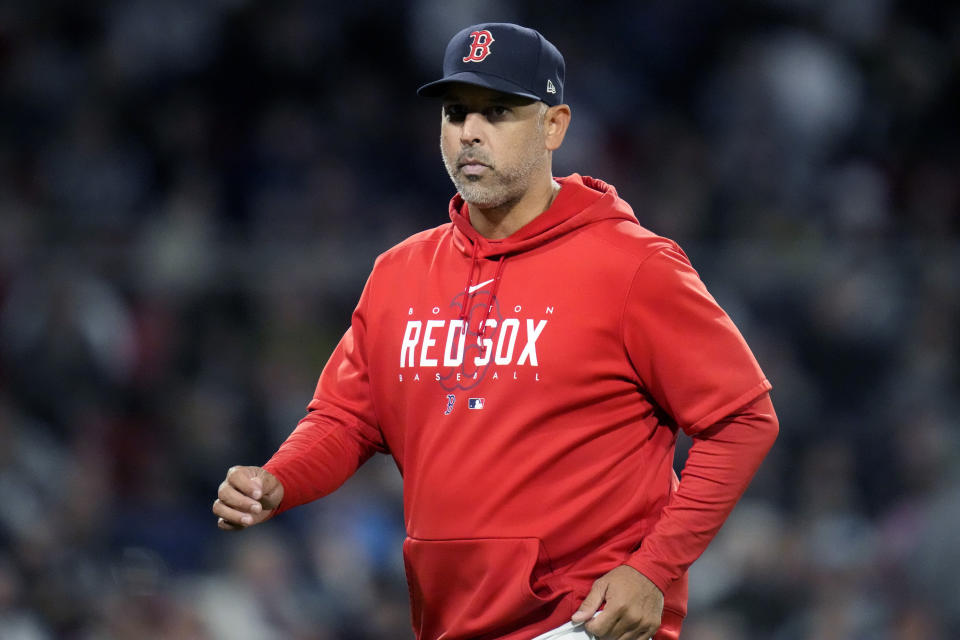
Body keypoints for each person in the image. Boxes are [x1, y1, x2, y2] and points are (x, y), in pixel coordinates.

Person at [213, 22, 779, 640]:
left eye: (499, 112)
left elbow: (742, 419)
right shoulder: (400, 272)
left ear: (554, 125)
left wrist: (654, 569)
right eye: (455, 113)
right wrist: (279, 479)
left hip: (585, 624)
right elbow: (346, 419)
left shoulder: (633, 266)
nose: (470, 133)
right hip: (451, 619)